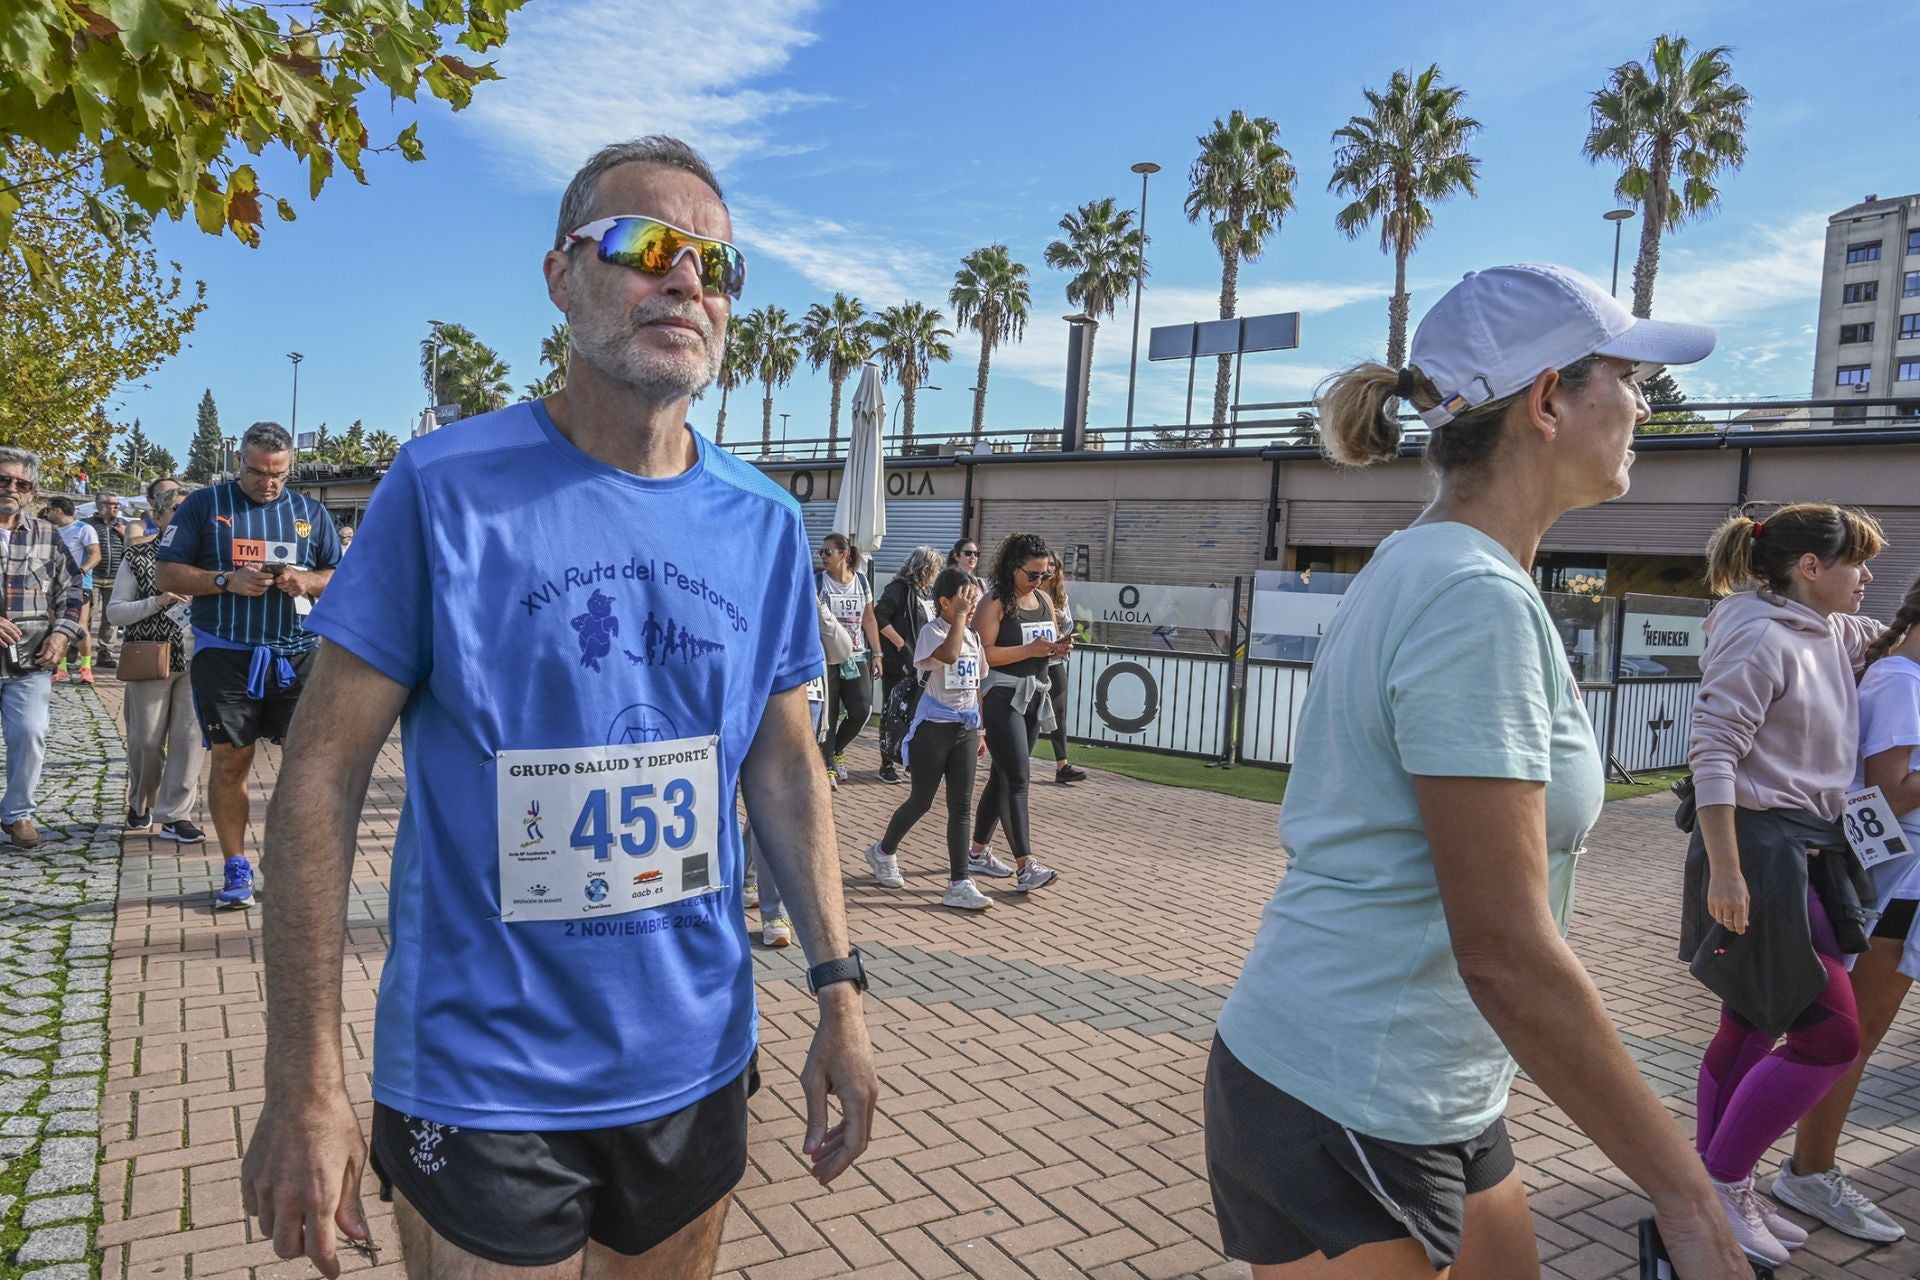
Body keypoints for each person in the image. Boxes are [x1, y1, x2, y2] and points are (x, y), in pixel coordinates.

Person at [238, 136, 877, 1279]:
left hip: (695, 1063)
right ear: (560, 275)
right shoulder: (442, 489)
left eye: (717, 264)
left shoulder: (766, 522)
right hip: (482, 1079)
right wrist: (307, 1079)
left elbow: (784, 767)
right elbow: (320, 776)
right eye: (644, 245)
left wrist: (840, 989)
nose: (686, 279)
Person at [1206, 263, 1747, 1279]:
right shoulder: (1470, 598)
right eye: (1628, 377)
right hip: (1341, 1093)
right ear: (1548, 399)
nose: (1644, 402)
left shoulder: (1433, 568)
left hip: (1431, 1085)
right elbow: (1504, 948)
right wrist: (1687, 1193)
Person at [1683, 503, 1889, 1263]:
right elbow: (1712, 754)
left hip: (1805, 849)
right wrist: (1728, 873)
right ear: (1809, 568)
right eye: (1855, 562)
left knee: (1750, 1020)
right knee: (1831, 1036)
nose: (1867, 577)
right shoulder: (1760, 635)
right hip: (1760, 853)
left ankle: (1710, 1192)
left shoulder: (1832, 631)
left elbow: (1890, 640)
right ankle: (1725, 1180)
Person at [1779, 573, 1920, 1245]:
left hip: (1899, 883)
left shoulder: (1902, 674)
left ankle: (1799, 1165)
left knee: (1853, 1037)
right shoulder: (1900, 680)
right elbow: (1889, 794)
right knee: (1851, 1040)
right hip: (1894, 885)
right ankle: (1809, 1170)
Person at [155, 421, 342, 909]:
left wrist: (308, 582)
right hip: (226, 655)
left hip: (297, 655)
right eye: (258, 471)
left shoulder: (310, 512)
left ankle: (286, 859)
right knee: (232, 761)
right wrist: (224, 581)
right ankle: (235, 864)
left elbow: (339, 576)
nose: (268, 482)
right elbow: (166, 572)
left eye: (278, 473)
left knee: (304, 767)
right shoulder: (204, 505)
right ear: (240, 461)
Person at [864, 567, 993, 911]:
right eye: (964, 598)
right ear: (945, 602)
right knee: (921, 800)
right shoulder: (932, 631)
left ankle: (959, 882)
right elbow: (948, 656)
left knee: (960, 806)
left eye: (973, 598)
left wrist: (980, 730)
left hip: (964, 729)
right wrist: (960, 619)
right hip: (932, 728)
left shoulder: (973, 637)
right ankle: (883, 850)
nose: (971, 603)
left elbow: (975, 684)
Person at [965, 531, 1067, 893]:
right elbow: (982, 655)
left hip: (1033, 696)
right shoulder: (993, 602)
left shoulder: (1041, 599)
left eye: (1045, 575)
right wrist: (1031, 651)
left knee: (1002, 777)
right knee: (1019, 778)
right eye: (1032, 574)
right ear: (1012, 568)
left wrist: (1057, 648)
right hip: (1002, 696)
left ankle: (976, 852)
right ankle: (1027, 865)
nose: (1039, 581)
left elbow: (1046, 650)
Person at [107, 485, 207, 843]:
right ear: (160, 516)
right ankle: (141, 802)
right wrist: (159, 600)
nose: (185, 516)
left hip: (200, 658)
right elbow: (115, 611)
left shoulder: (210, 559)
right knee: (146, 742)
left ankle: (176, 815)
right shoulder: (139, 556)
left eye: (191, 509)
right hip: (150, 657)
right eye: (177, 509)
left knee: (190, 739)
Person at [0, 449, 84, 847]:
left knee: (31, 733)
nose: (11, 489)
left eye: (21, 484)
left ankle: (17, 814)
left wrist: (62, 634)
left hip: (29, 659)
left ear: (32, 493)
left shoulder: (48, 535)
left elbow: (72, 589)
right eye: (4, 480)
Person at [874, 546, 943, 785]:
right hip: (901, 662)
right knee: (894, 710)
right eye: (935, 568)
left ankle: (909, 759)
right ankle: (886, 762)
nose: (936, 573)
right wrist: (901, 643)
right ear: (925, 567)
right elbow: (879, 616)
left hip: (923, 663)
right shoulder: (898, 589)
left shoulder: (927, 593)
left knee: (917, 711)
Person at [816, 532, 880, 782]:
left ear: (844, 555)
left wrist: (878, 653)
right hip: (828, 657)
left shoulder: (861, 582)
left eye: (828, 552)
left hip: (856, 655)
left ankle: (838, 749)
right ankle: (828, 762)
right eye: (821, 552)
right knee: (829, 714)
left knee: (862, 709)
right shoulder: (818, 582)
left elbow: (869, 618)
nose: (823, 556)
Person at [43, 497, 100, 685]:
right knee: (57, 625)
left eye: (49, 510)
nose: (47, 513)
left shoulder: (84, 528)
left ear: (58, 510)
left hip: (79, 584)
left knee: (81, 626)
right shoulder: (54, 531)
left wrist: (80, 571)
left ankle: (86, 668)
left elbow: (95, 555)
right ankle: (62, 668)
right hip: (54, 585)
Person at [1040, 550, 1085, 784]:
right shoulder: (1031, 591)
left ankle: (1062, 765)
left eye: (1053, 567)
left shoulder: (1060, 595)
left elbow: (1068, 625)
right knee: (1027, 713)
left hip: (1056, 660)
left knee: (1059, 713)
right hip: (1033, 660)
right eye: (1046, 566)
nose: (1049, 571)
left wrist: (1063, 624)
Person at [84, 493, 127, 667]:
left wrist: (125, 535)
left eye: (118, 504)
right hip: (92, 576)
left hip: (116, 576)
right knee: (86, 616)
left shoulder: (124, 525)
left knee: (111, 617)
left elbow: (135, 547)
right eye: (112, 504)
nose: (116, 507)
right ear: (99, 505)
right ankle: (77, 647)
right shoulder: (88, 525)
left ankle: (105, 652)